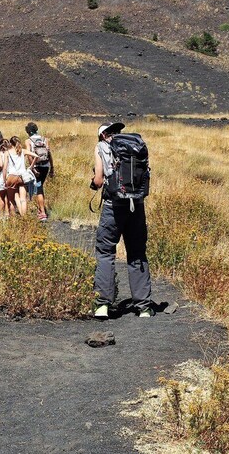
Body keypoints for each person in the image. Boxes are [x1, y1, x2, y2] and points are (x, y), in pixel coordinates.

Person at [90, 122, 153, 319]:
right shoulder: (135, 146)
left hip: (113, 206)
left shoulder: (101, 147)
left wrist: (93, 184)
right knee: (136, 252)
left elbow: (99, 180)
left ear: (102, 135)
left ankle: (103, 305)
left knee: (106, 252)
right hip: (137, 204)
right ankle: (143, 306)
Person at [25, 122, 53, 222]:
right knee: (39, 187)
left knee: (38, 188)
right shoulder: (45, 139)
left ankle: (42, 213)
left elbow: (29, 155)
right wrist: (52, 168)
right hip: (46, 166)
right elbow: (49, 154)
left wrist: (32, 168)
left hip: (36, 167)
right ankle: (41, 208)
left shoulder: (28, 141)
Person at [4, 136, 37, 216]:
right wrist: (31, 167)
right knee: (23, 199)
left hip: (11, 176)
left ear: (10, 144)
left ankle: (14, 219)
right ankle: (24, 217)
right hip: (22, 177)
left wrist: (4, 179)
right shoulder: (23, 151)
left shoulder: (7, 153)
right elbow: (36, 156)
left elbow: (5, 168)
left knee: (11, 199)